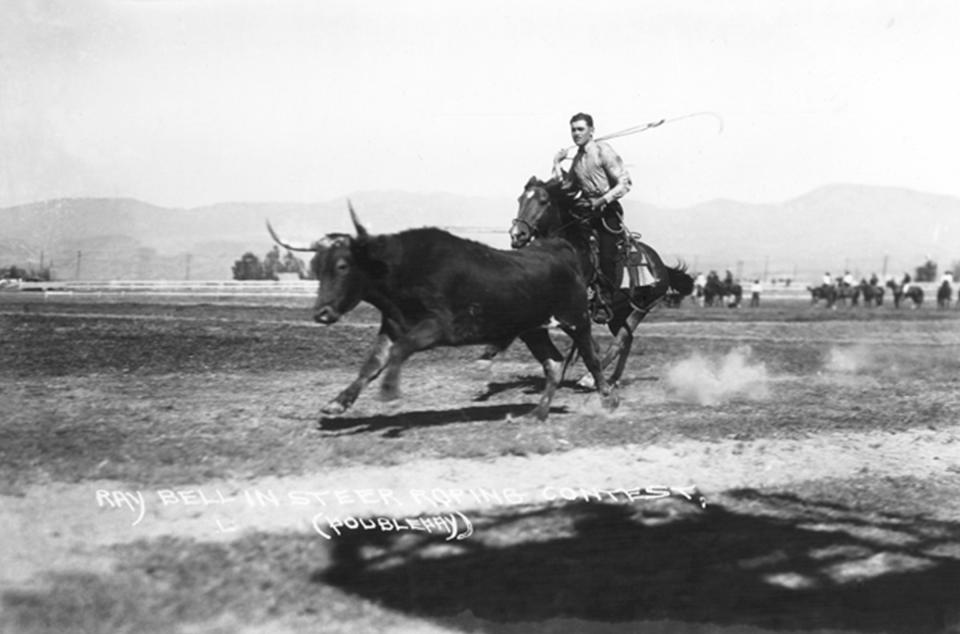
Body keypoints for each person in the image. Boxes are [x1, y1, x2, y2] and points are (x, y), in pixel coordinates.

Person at [552, 112, 632, 322]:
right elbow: (566, 188)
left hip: (607, 210)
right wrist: (556, 163)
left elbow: (625, 183)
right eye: (573, 130)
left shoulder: (602, 150)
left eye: (580, 129)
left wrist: (601, 200)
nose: (576, 133)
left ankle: (605, 299)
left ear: (591, 131)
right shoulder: (577, 159)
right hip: (586, 210)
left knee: (606, 253)